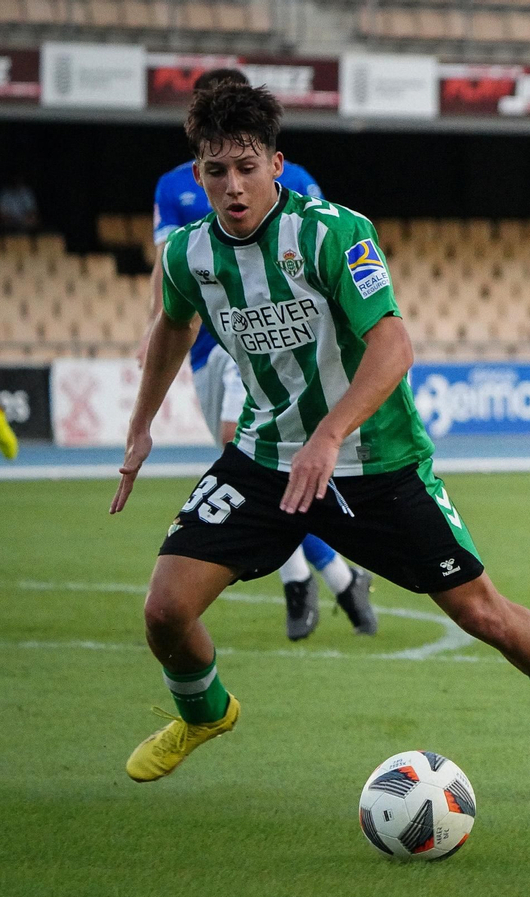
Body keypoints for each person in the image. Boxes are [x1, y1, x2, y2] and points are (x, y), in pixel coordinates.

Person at [112, 81, 530, 799]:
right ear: (198, 176)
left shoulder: (334, 232)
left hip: (375, 462)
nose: (234, 186)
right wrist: (140, 426)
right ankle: (204, 710)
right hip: (265, 459)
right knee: (164, 608)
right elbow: (172, 326)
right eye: (217, 171)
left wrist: (332, 432)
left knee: (481, 612)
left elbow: (395, 345)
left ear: (278, 164)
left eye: (248, 167)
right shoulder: (188, 254)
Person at [141, 67, 373, 642]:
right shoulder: (175, 185)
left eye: (246, 164)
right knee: (264, 470)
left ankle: (303, 583)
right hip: (206, 348)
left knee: (247, 453)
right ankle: (339, 577)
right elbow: (168, 269)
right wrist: (157, 331)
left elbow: (317, 260)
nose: (233, 182)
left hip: (273, 343)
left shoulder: (296, 180)